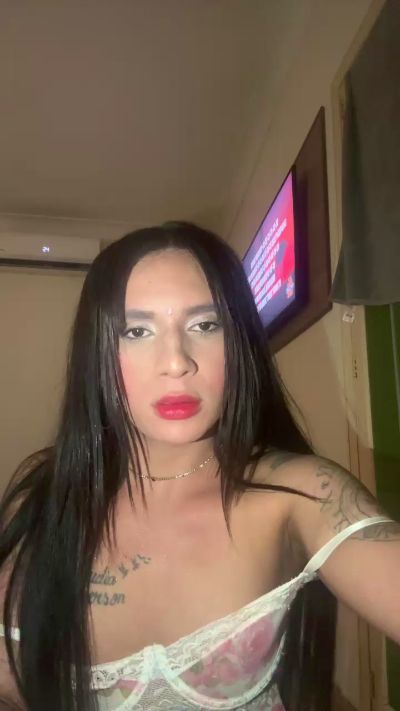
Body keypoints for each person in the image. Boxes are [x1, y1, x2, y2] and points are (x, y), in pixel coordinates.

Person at [0, 221, 398, 711]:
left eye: (205, 326)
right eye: (137, 331)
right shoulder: (43, 492)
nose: (176, 362)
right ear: (96, 353)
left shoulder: (302, 493)